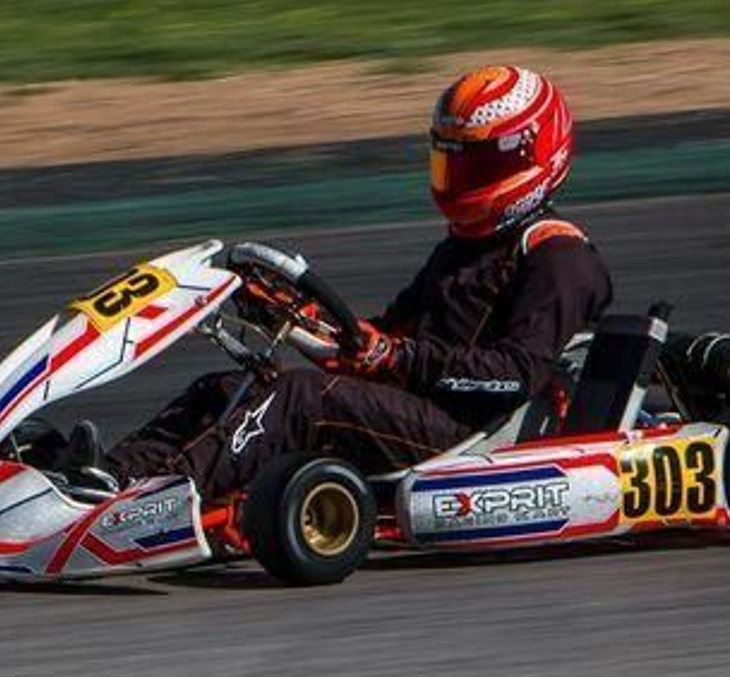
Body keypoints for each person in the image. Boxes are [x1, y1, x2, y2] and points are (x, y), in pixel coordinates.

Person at [71, 66, 612, 500]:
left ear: (528, 157)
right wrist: (315, 326)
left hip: (471, 434)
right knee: (232, 386)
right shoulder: (468, 244)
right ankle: (103, 479)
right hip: (419, 409)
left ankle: (151, 502)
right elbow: (388, 333)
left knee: (300, 400)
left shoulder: (558, 256)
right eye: (454, 162)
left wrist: (396, 359)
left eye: (474, 165)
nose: (459, 180)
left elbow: (514, 376)